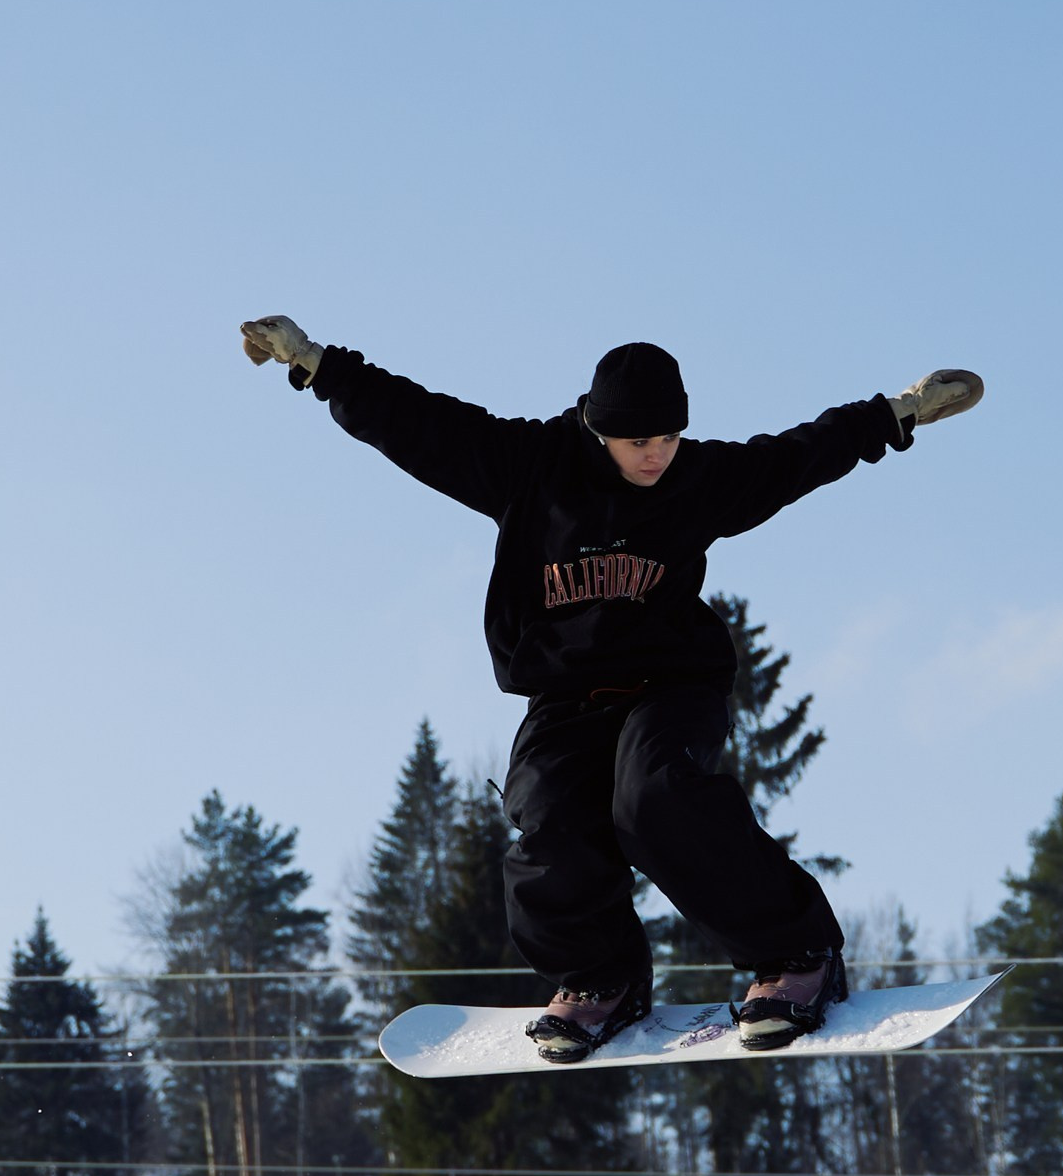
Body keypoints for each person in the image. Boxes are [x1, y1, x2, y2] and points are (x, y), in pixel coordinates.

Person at [240, 315, 982, 1062]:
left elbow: (795, 455)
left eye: (668, 439)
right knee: (548, 823)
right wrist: (315, 363)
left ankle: (796, 954)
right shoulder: (528, 464)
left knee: (654, 797)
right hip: (566, 699)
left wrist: (899, 412)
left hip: (671, 686)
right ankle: (602, 978)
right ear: (600, 431)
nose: (656, 455)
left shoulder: (696, 479)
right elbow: (419, 422)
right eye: (639, 443)